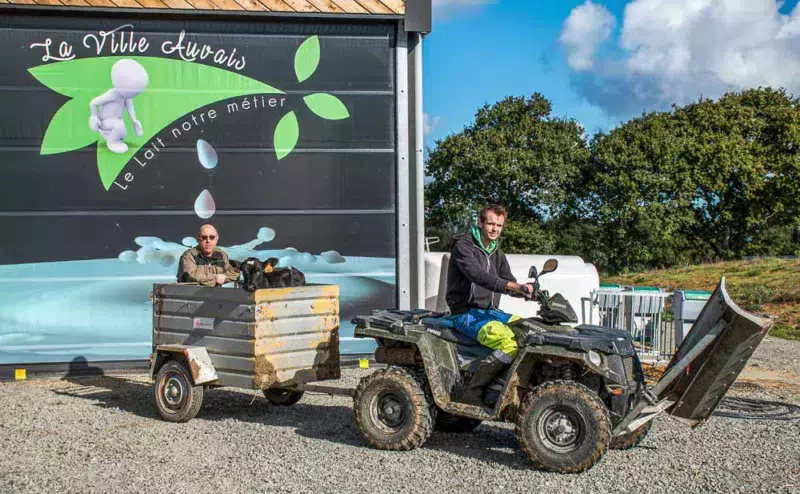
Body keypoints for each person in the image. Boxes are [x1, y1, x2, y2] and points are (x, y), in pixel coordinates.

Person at [444, 204, 533, 405]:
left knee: (529, 330)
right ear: (480, 222)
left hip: (490, 312)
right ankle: (477, 390)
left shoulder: (496, 252)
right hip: (465, 312)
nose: (494, 229)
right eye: (491, 223)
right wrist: (514, 285)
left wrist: (530, 292)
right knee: (507, 343)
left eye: (499, 225)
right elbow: (478, 276)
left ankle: (508, 382)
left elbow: (508, 281)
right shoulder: (463, 246)